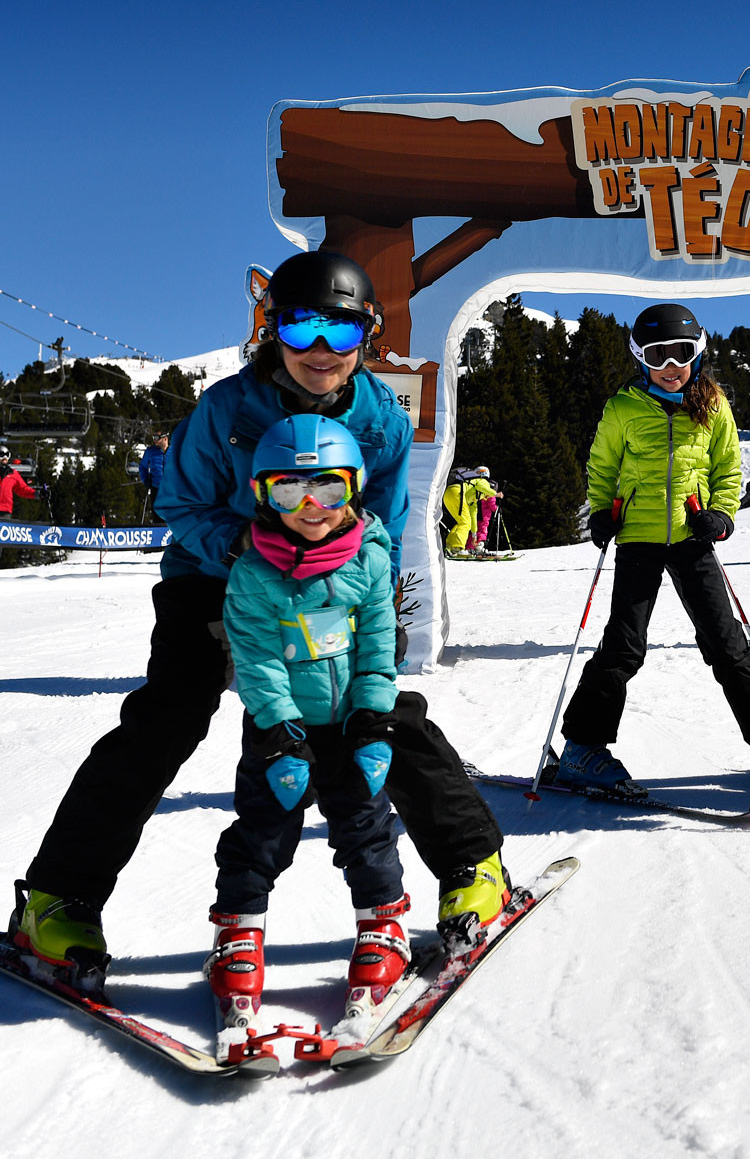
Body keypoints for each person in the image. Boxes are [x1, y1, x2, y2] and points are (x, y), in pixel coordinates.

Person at [6, 249, 507, 980]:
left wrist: (378, 608)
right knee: (167, 718)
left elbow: (384, 524)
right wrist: (245, 544)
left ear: (366, 337)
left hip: (326, 586)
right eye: (301, 329)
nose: (320, 352)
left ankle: (474, 865)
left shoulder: (382, 425)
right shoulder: (227, 409)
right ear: (273, 331)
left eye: (340, 333)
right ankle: (56, 900)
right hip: (214, 579)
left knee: (379, 711)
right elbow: (180, 505)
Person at [206, 414, 418, 1044]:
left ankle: (384, 925)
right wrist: (278, 731)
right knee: (263, 831)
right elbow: (256, 657)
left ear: (352, 487)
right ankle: (237, 932)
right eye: (287, 491)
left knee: (364, 828)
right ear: (261, 493)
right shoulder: (252, 573)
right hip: (284, 730)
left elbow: (380, 644)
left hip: (352, 724)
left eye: (326, 489)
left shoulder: (370, 561)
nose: (309, 507)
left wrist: (375, 716)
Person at [552, 303, 750, 797]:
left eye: (681, 354)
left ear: (697, 352)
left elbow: (728, 470)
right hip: (638, 536)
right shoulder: (622, 408)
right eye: (658, 356)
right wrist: (601, 511)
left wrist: (721, 515)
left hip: (691, 538)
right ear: (641, 357)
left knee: (725, 641)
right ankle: (581, 749)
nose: (670, 367)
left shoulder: (713, 404)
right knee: (622, 646)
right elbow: (601, 466)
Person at [440, 467, 498, 557]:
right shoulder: (482, 481)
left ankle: (450, 547)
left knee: (462, 522)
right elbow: (482, 487)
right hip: (457, 493)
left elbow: (473, 516)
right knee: (465, 523)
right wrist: (495, 494)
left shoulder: (474, 494)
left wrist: (474, 535)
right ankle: (457, 548)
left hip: (449, 494)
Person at [136, 431, 170, 521]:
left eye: (157, 438)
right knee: (158, 516)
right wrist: (146, 480)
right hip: (157, 488)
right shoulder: (151, 452)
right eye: (153, 438)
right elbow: (143, 466)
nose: (155, 441)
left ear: (165, 439)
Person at [468, 467, 500, 554]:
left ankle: (470, 548)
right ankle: (479, 547)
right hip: (484, 516)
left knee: (473, 531)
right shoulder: (490, 487)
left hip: (474, 512)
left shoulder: (476, 485)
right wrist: (497, 509)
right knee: (482, 531)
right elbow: (491, 503)